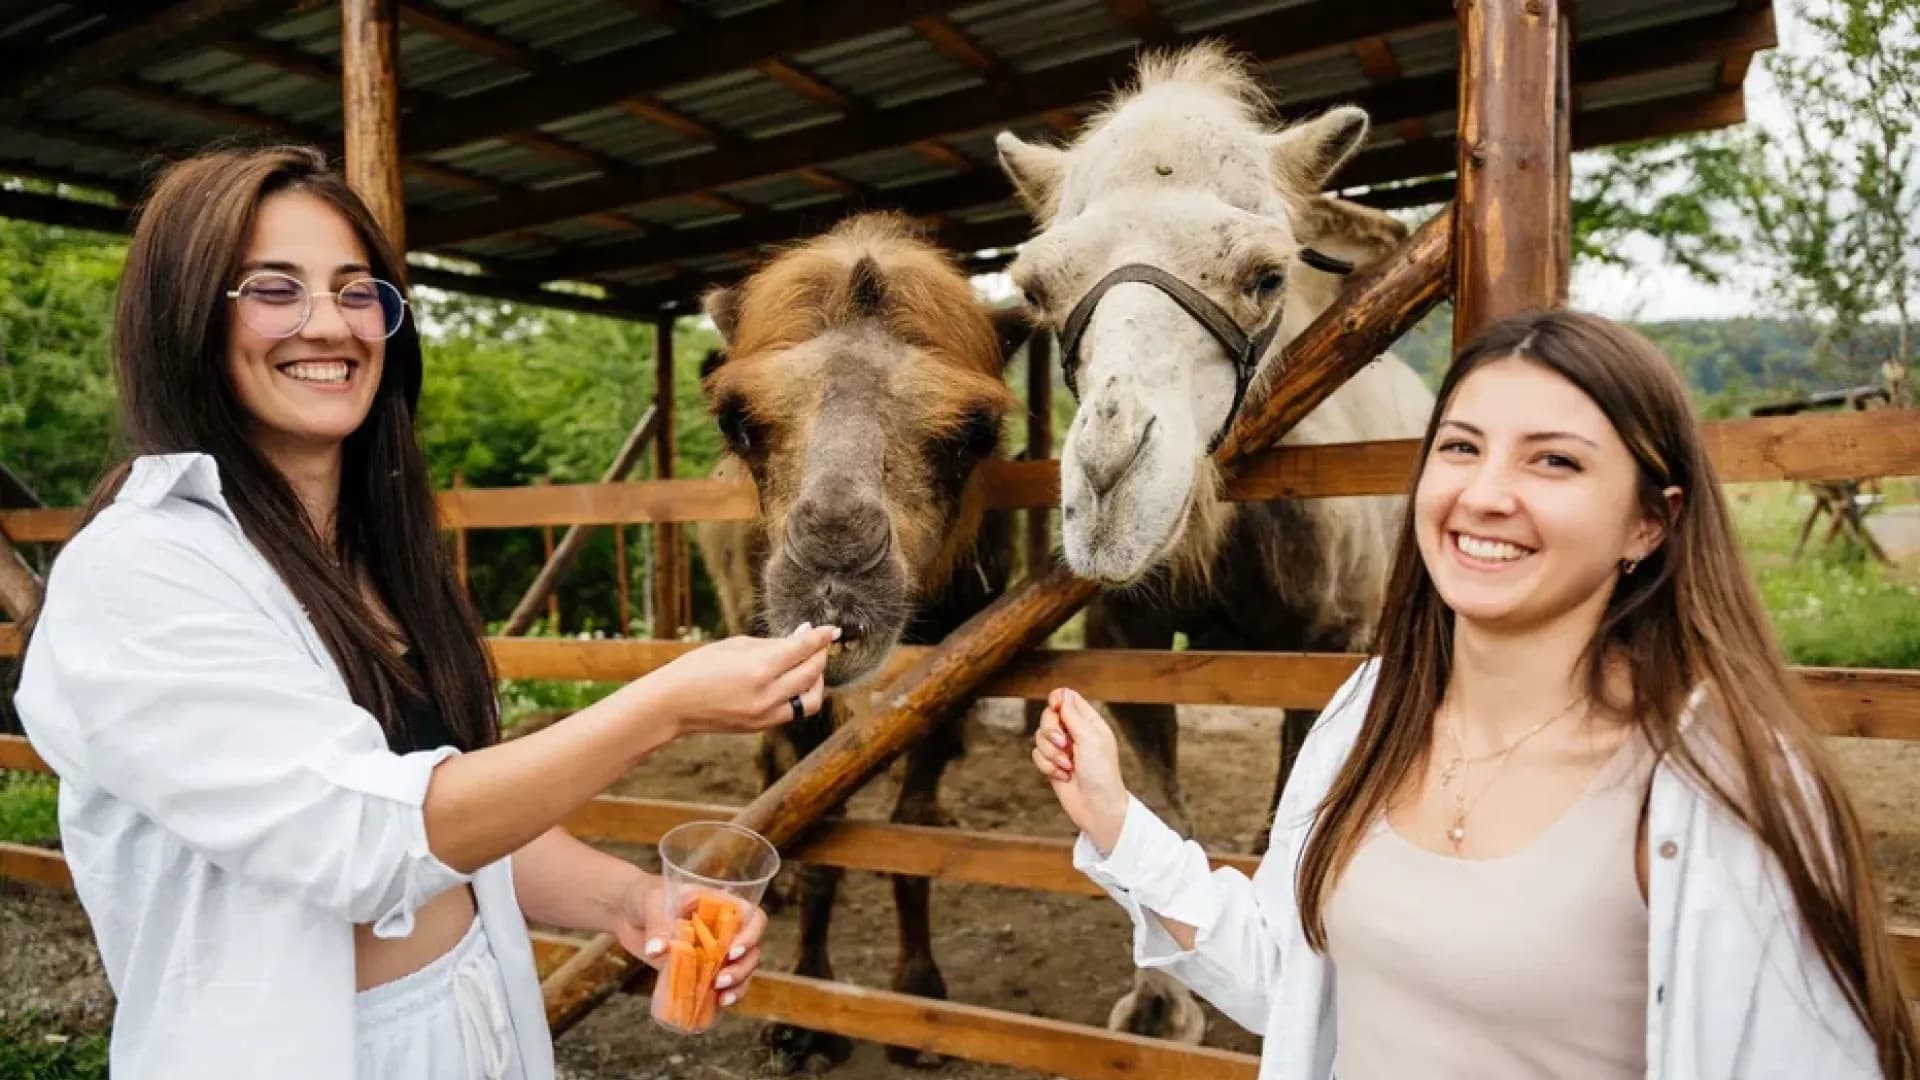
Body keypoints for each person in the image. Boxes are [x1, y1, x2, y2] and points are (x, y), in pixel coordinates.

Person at [12, 145, 836, 1080]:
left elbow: (452, 830)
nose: (329, 324)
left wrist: (626, 900)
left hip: (473, 1016)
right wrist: (664, 706)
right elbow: (370, 841)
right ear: (187, 315)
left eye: (357, 291)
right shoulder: (141, 571)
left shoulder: (376, 555)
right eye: (274, 288)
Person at [1032, 310, 1918, 1079]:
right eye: (1461, 448)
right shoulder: (1369, 717)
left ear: (1650, 522)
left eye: (1555, 463)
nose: (1485, 495)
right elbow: (1288, 979)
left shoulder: (1725, 791)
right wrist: (1115, 820)